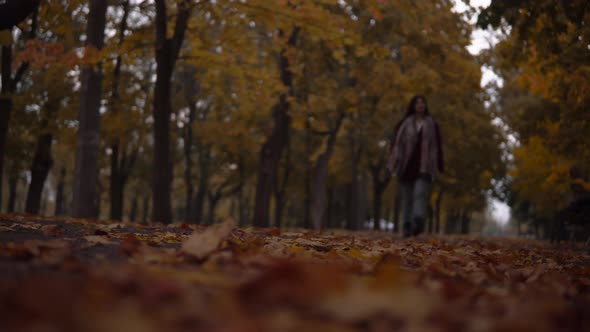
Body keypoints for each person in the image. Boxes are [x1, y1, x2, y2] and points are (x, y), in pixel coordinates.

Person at [387, 95, 444, 237]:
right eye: (417, 103)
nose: (420, 105)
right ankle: (407, 225)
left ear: (425, 106)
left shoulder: (432, 124)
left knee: (419, 194)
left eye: (422, 103)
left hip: (424, 167)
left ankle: (418, 220)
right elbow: (397, 145)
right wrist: (393, 163)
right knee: (407, 198)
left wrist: (440, 164)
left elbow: (437, 146)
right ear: (413, 106)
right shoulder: (405, 124)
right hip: (405, 167)